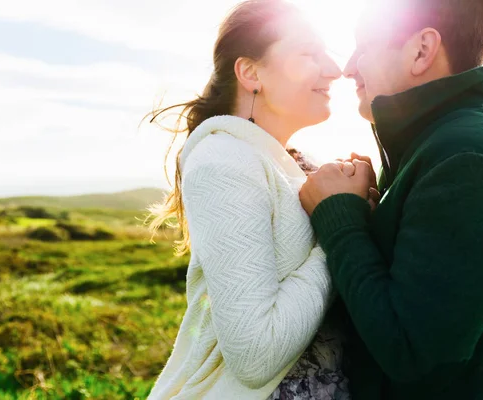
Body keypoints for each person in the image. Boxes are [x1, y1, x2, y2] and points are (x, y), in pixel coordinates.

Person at [299, 0, 483, 398]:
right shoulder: (439, 146)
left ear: (422, 50)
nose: (348, 67)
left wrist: (339, 217)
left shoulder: (473, 162)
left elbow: (412, 356)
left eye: (365, 46)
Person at [146, 1, 349, 399]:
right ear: (250, 72)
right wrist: (340, 229)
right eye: (309, 53)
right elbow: (255, 355)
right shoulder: (224, 163)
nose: (335, 69)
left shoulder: (295, 163)